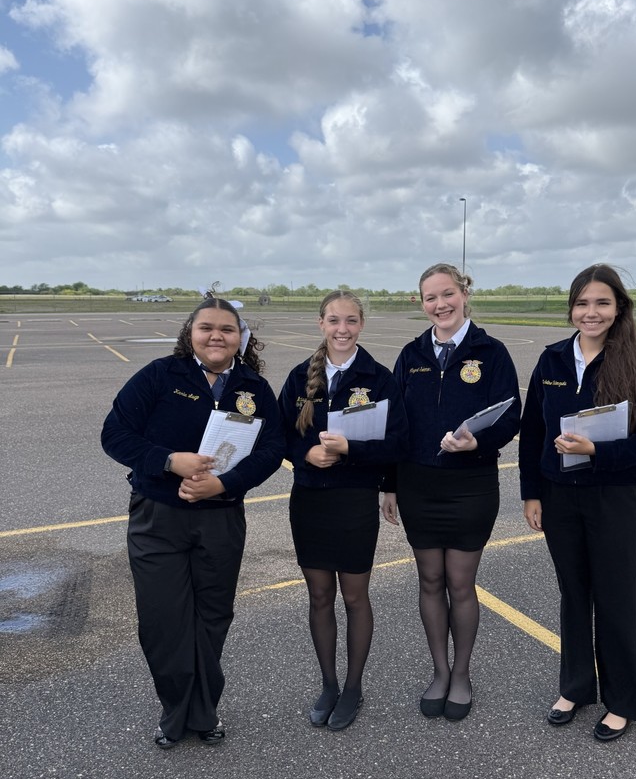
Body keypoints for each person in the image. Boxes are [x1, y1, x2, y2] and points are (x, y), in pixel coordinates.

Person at [101, 295, 285, 749]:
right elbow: (115, 434)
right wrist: (169, 461)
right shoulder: (159, 376)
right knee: (164, 620)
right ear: (190, 333)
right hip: (158, 517)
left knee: (212, 617)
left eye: (227, 328)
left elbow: (270, 450)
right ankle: (176, 708)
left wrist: (222, 485)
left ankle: (202, 711)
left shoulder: (253, 388)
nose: (216, 335)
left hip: (221, 519)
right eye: (207, 327)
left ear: (240, 337)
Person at [518, 264, 636, 741]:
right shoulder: (552, 361)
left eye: (602, 303)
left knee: (616, 598)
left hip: (613, 497)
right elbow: (533, 433)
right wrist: (531, 492)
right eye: (582, 303)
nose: (591, 312)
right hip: (560, 498)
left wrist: (598, 453)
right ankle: (577, 686)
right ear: (571, 309)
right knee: (573, 594)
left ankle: (622, 699)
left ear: (619, 308)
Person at [381, 263, 520, 720]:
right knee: (429, 581)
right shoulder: (411, 353)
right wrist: (389, 484)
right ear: (421, 303)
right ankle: (438, 671)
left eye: (447, 294)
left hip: (470, 485)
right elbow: (394, 423)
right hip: (419, 484)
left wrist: (479, 442)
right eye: (429, 298)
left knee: (460, 584)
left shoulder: (491, 352)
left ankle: (461, 673)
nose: (439, 305)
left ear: (464, 293)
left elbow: (510, 414)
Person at [278, 290, 409, 731]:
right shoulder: (300, 377)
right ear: (320, 323)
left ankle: (353, 686)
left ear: (361, 325)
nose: (342, 329)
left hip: (354, 500)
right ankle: (329, 684)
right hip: (310, 499)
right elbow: (279, 436)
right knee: (319, 597)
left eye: (351, 321)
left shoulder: (379, 378)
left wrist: (351, 450)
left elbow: (398, 443)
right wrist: (304, 456)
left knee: (354, 597)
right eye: (334, 321)